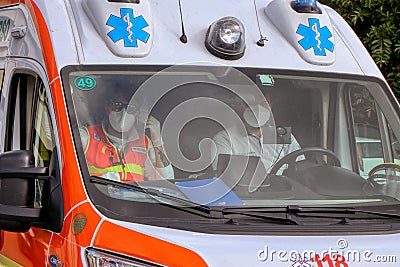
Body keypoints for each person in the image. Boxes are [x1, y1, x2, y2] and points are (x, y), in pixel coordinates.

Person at [80, 92, 174, 182]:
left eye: (131, 108)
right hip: (99, 197)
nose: (124, 112)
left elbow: (166, 180)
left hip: (132, 198)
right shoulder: (86, 137)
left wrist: (157, 140)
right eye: (117, 105)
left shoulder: (144, 143)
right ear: (107, 108)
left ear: (137, 113)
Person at [212, 92, 301, 172]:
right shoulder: (225, 139)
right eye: (252, 103)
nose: (258, 108)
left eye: (264, 104)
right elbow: (223, 176)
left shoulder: (283, 134)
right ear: (240, 107)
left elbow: (301, 168)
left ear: (270, 106)